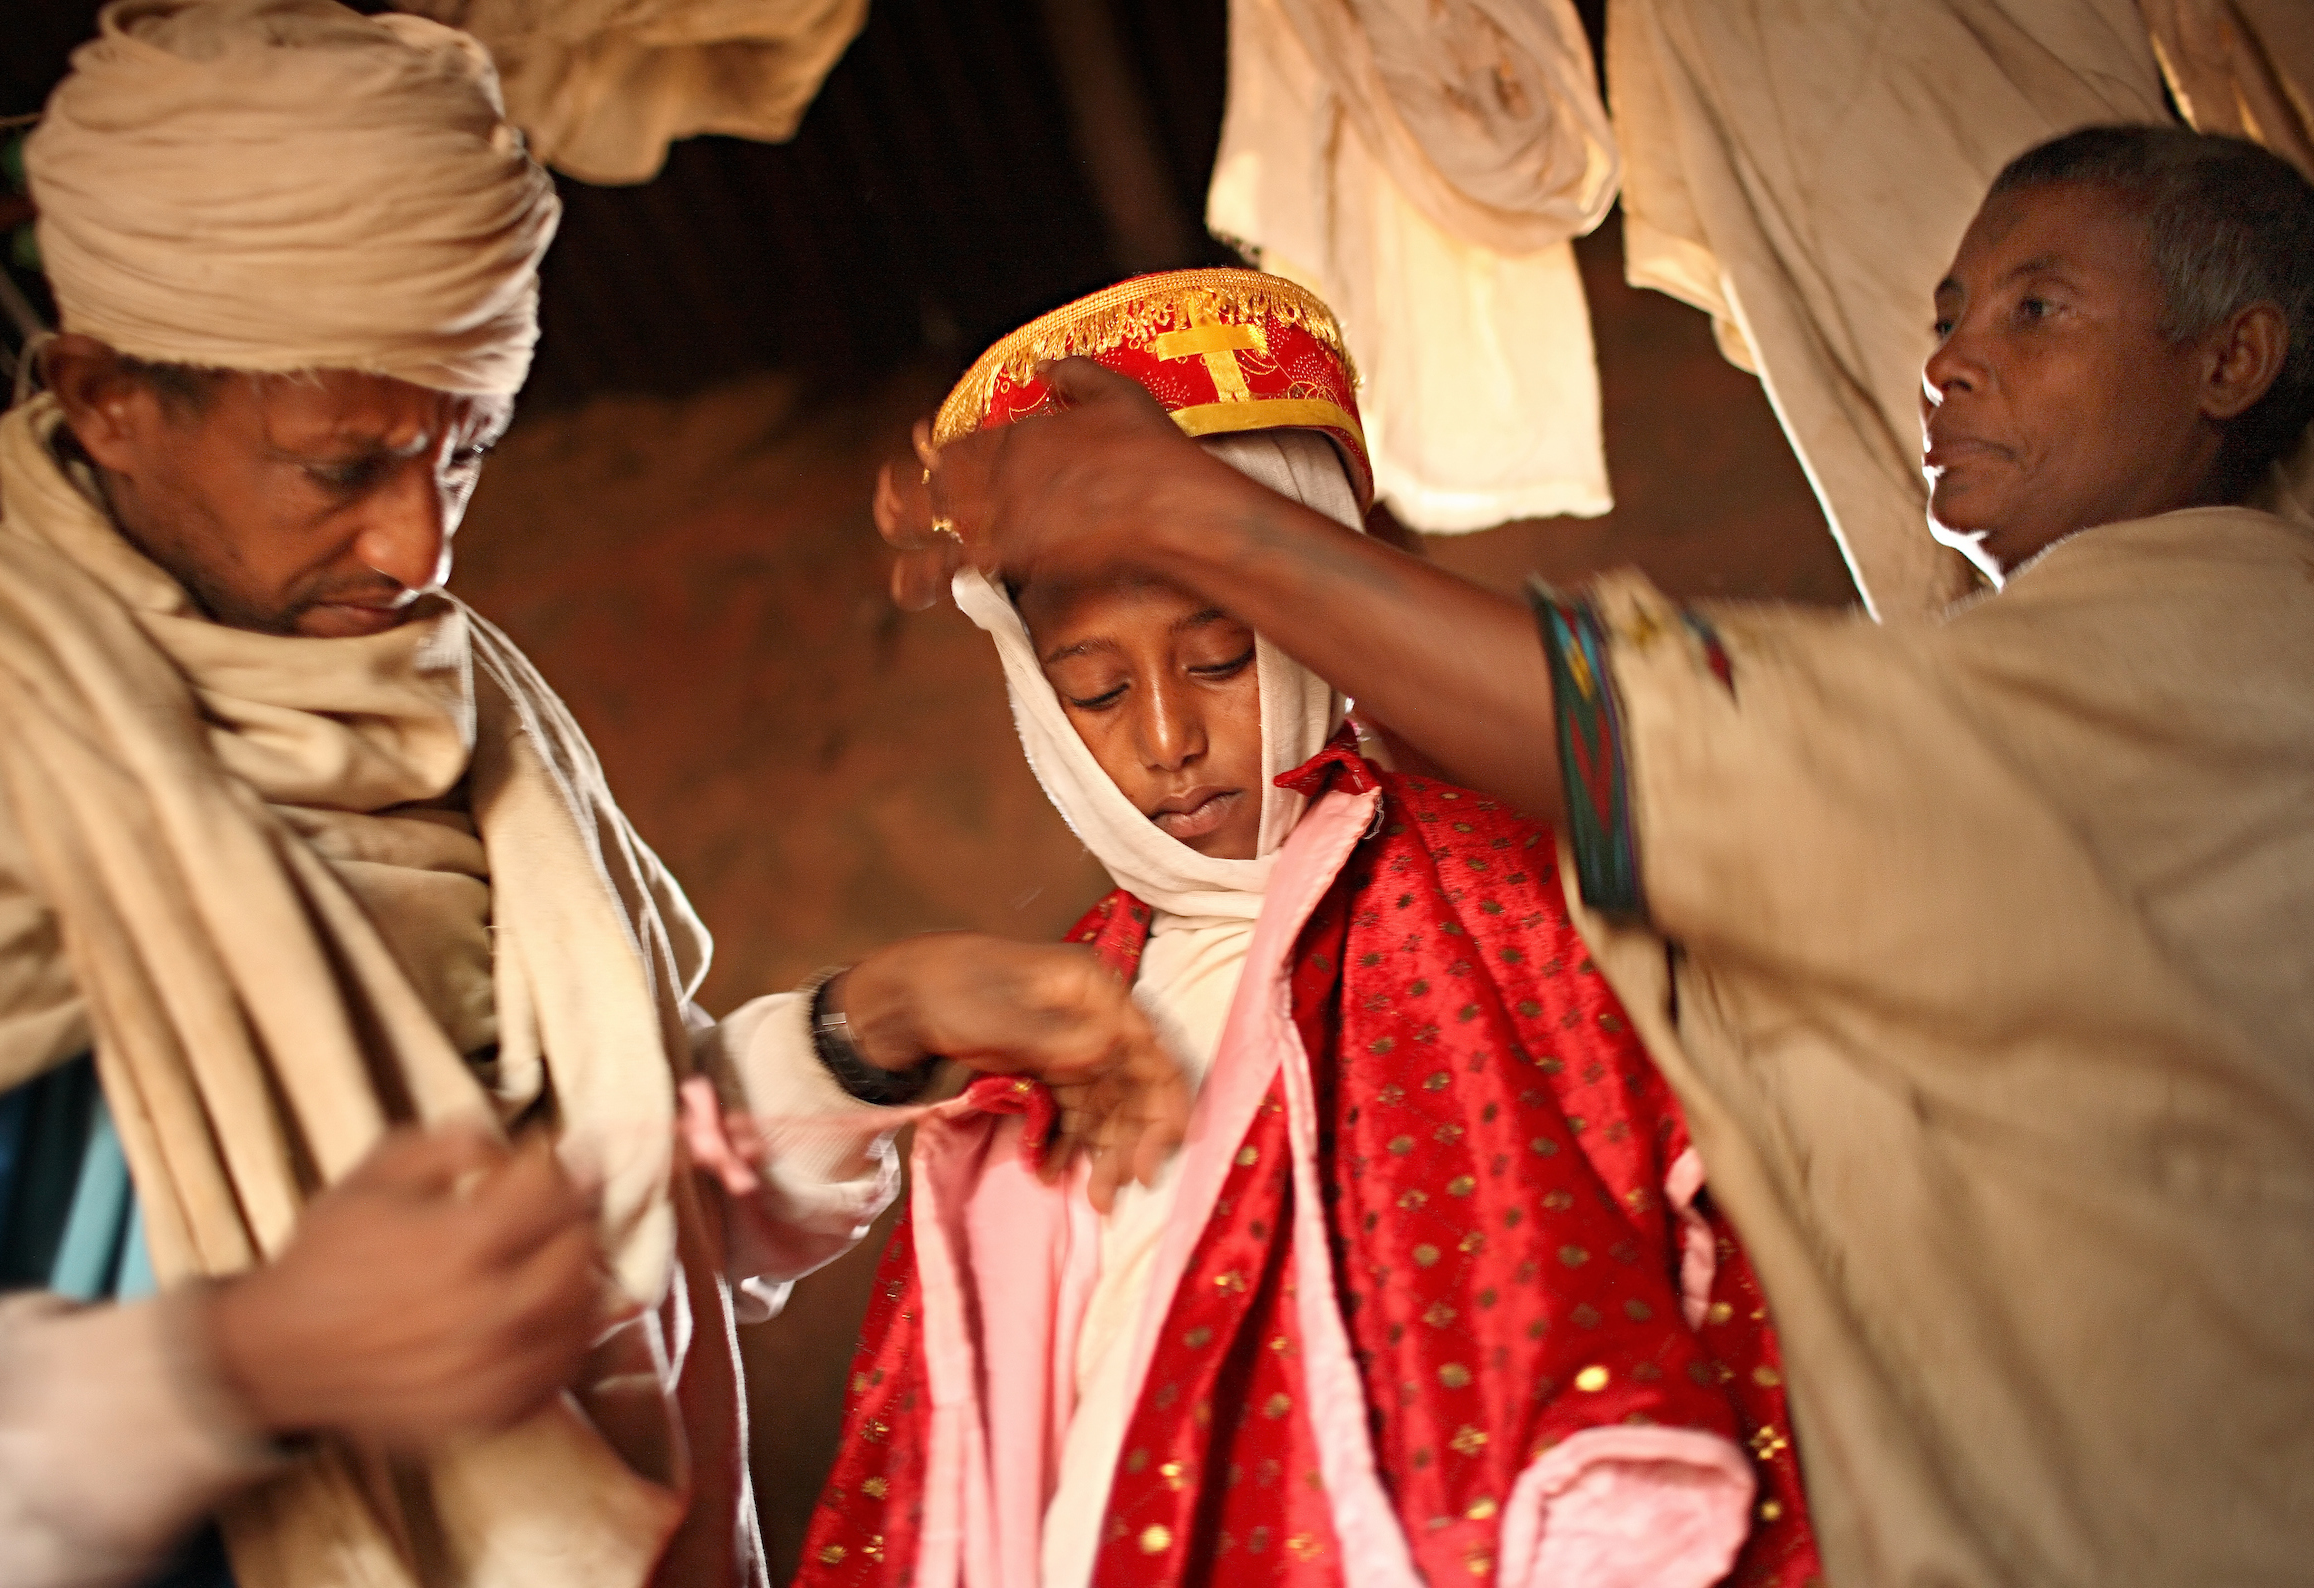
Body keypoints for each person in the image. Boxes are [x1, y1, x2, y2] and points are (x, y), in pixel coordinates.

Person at [877, 129, 2314, 1587]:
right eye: (1948, 315)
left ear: (2231, 361)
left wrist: (1193, 510)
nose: (1951, 363)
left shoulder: (2232, 652)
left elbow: (1680, 744)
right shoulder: (2057, 672)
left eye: (2037, 308)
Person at [0, 5, 1179, 1586]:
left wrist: (858, 1036)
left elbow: (622, 1224)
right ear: (105, 391)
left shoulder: (462, 703)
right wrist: (233, 1368)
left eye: (460, 459)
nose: (420, 551)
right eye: (343, 465)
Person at [686, 270, 1818, 1588]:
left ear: (1309, 597)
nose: (1167, 741)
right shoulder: (1051, 1015)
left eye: (1220, 659)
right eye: (1095, 690)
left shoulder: (1508, 896)